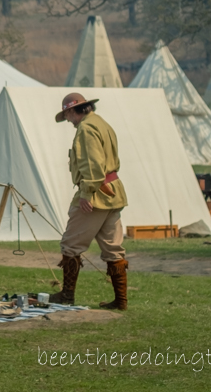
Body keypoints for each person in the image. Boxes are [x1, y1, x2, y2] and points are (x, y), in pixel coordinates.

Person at [51, 93, 129, 310]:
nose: (67, 120)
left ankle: (67, 295)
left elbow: (93, 164)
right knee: (114, 249)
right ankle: (121, 301)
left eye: (67, 114)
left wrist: (86, 193)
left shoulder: (86, 129)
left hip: (95, 193)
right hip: (112, 192)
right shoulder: (102, 124)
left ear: (71, 111)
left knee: (70, 245)